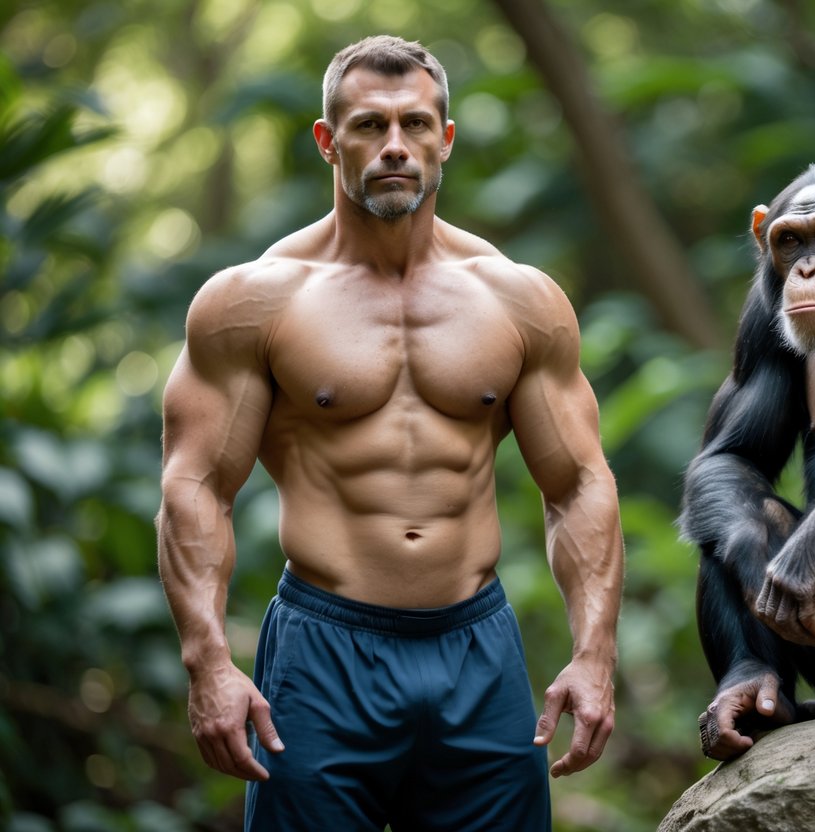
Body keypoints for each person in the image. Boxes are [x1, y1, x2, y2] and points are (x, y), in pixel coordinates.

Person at [156, 35, 624, 832]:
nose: (394, 147)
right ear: (327, 140)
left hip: (477, 646)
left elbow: (577, 484)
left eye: (415, 124)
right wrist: (209, 663)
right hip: (324, 650)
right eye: (369, 126)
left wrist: (594, 652)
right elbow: (196, 487)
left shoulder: (516, 300)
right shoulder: (254, 303)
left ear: (445, 139)